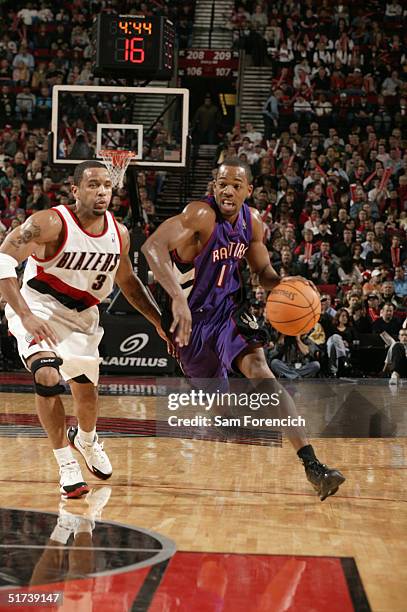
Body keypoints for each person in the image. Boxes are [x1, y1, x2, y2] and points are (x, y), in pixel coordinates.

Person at [142, 158, 345, 501]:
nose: (228, 190)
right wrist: (176, 297)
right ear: (214, 186)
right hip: (190, 321)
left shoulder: (251, 223)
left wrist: (285, 285)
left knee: (262, 372)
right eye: (222, 183)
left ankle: (312, 464)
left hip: (229, 311)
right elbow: (151, 247)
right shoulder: (200, 215)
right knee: (219, 407)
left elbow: (262, 271)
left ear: (248, 190)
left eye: (236, 184)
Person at [0, 161, 167, 498]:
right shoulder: (50, 222)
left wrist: (158, 321)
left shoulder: (119, 234)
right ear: (75, 190)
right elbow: (3, 259)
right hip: (40, 308)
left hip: (84, 318)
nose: (102, 190)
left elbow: (128, 282)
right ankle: (67, 466)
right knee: (46, 374)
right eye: (92, 184)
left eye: (106, 184)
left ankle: (86, 439)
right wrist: (25, 315)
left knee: (87, 395)